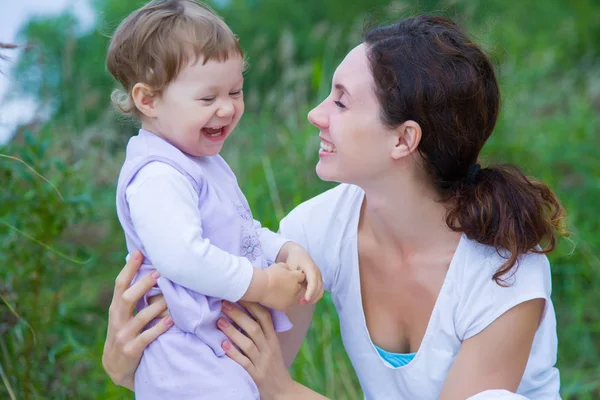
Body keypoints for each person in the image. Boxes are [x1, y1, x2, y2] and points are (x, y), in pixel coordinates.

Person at [102, 14, 565, 400]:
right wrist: (128, 366)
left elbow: (272, 385)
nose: (315, 115)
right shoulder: (314, 230)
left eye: (341, 102)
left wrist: (285, 392)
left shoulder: (504, 267)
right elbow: (239, 371)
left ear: (404, 139)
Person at [105, 0, 323, 399]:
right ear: (148, 100)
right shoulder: (158, 175)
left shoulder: (202, 163)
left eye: (235, 91)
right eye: (207, 98)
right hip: (183, 357)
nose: (227, 107)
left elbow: (241, 231)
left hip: (210, 348)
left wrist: (284, 250)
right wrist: (261, 284)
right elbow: (183, 256)